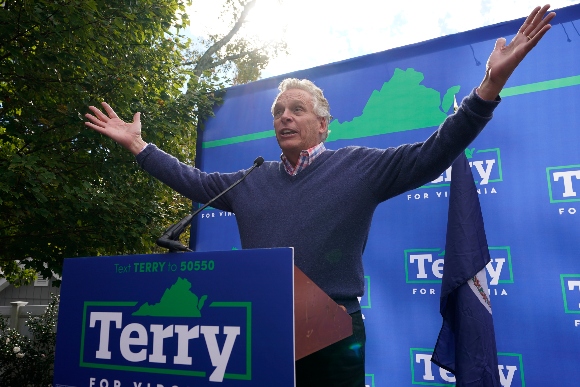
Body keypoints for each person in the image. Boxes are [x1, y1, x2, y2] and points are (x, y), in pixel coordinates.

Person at [85, 5, 555, 386]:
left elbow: (435, 152)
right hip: (262, 332)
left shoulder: (359, 167)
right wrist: (139, 147)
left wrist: (489, 86)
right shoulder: (249, 180)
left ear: (323, 123)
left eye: (297, 109)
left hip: (335, 334)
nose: (284, 117)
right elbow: (188, 179)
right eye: (277, 111)